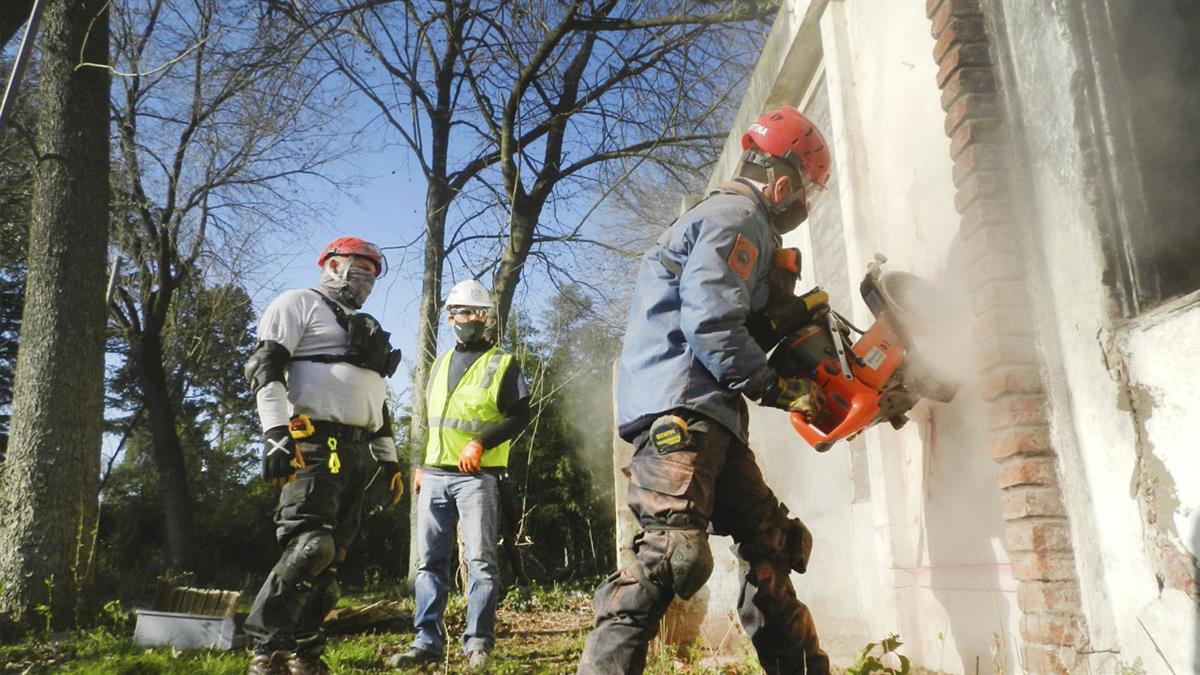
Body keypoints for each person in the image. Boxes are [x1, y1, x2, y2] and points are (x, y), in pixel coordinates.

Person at [577, 106, 834, 675]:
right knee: (671, 556)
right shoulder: (738, 216)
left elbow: (730, 315)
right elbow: (713, 323)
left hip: (708, 412)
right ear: (783, 182)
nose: (802, 206)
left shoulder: (728, 220)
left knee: (773, 547)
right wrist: (775, 386)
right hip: (682, 407)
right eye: (805, 194)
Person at [243, 236, 405, 675]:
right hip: (312, 443)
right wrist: (276, 432)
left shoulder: (363, 325)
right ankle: (267, 650)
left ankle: (305, 651)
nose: (367, 277)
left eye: (374, 272)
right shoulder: (297, 303)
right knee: (312, 547)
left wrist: (388, 460)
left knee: (332, 563)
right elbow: (266, 365)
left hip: (356, 450)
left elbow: (377, 399)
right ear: (333, 265)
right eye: (360, 266)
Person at [390, 279, 531, 670]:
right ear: (450, 316)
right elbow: (430, 421)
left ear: (486, 318)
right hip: (433, 475)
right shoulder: (439, 363)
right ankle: (426, 643)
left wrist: (481, 443)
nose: (471, 318)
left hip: (478, 478)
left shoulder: (503, 363)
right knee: (429, 563)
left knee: (482, 562)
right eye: (463, 312)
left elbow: (521, 414)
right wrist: (419, 461)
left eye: (478, 312)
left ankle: (478, 646)